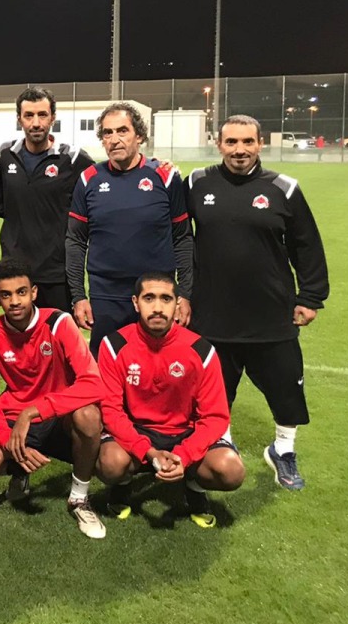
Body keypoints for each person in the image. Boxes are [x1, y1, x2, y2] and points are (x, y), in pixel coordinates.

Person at [187, 115, 329, 490]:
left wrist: (311, 296)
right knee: (216, 388)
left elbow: (307, 245)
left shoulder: (283, 187)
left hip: (271, 312)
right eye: (231, 142)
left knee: (285, 385)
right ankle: (223, 440)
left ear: (260, 143)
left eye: (247, 142)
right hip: (213, 313)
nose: (239, 150)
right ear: (219, 144)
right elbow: (178, 237)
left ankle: (283, 449)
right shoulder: (197, 183)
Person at [0, 259, 107, 539]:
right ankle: (20, 472)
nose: (14, 301)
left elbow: (94, 384)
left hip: (59, 416)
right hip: (15, 417)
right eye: (6, 295)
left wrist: (33, 411)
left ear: (34, 293)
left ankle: (79, 498)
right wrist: (10, 441)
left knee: (89, 416)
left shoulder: (58, 322)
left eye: (21, 292)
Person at [97, 272, 246, 527]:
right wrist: (149, 451)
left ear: (177, 304)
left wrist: (184, 455)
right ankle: (123, 484)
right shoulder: (114, 345)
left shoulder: (201, 350)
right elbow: (110, 410)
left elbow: (216, 416)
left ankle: (194, 484)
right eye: (149, 298)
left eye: (166, 299)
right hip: (137, 430)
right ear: (135, 303)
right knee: (110, 463)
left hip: (185, 432)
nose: (157, 308)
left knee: (231, 471)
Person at [65, 102, 193, 355]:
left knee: (160, 370)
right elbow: (75, 241)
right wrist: (79, 297)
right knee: (105, 370)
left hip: (157, 295)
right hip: (106, 295)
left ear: (140, 135)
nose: (114, 139)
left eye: (122, 131)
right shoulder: (89, 178)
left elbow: (183, 238)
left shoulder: (165, 177)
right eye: (107, 133)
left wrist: (184, 295)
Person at [0, 87, 94, 311]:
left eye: (42, 115)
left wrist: (151, 164)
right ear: (19, 119)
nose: (36, 123)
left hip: (56, 272)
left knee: (57, 339)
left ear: (53, 118)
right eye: (29, 116)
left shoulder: (73, 159)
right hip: (15, 271)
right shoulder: (5, 154)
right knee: (18, 340)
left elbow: (109, 176)